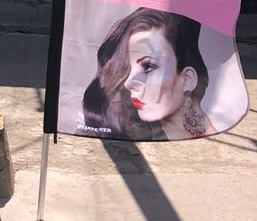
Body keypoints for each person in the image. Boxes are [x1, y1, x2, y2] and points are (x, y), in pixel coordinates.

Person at [82, 8, 216, 141]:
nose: (128, 83)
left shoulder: (221, 145)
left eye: (148, 67)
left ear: (187, 79)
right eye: (128, 69)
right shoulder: (126, 135)